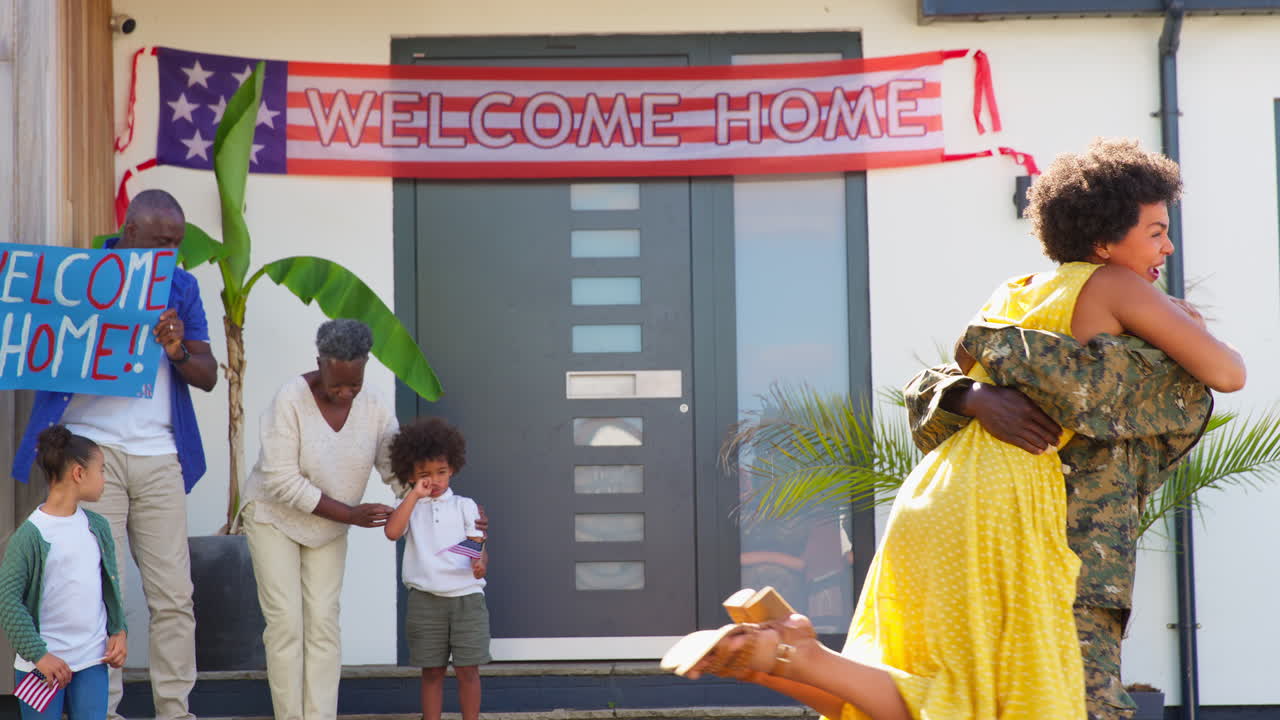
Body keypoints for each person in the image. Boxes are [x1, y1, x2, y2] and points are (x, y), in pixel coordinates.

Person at [668, 139, 1245, 720]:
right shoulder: (1119, 288)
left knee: (962, 692)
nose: (1167, 246)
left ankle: (794, 655)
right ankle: (796, 653)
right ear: (1103, 242)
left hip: (947, 495)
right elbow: (1227, 372)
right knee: (1045, 698)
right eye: (1155, 231)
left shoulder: (1013, 296)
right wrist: (1177, 317)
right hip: (1025, 515)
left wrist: (972, 396)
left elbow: (961, 361)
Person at [11, 189, 217, 720]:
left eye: (177, 241)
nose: (171, 251)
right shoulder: (80, 274)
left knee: (174, 595)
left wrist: (177, 350)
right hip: (89, 457)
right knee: (98, 593)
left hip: (158, 456)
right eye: (160, 241)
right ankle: (103, 710)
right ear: (128, 233)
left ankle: (175, 710)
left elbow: (209, 374)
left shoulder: (182, 286)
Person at [240, 318, 401, 720]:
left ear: (365, 366)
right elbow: (281, 482)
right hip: (272, 517)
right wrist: (350, 513)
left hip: (327, 527)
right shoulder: (289, 400)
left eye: (354, 386)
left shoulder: (376, 407)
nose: (345, 394)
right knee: (286, 625)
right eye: (336, 386)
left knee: (324, 625)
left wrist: (431, 498)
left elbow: (394, 466)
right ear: (321, 363)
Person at [0, 426, 128, 720]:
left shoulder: (98, 527)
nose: (105, 479)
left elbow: (110, 587)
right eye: (103, 470)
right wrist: (39, 655)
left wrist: (119, 630)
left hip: (93, 661)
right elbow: (8, 602)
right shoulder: (31, 536)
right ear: (79, 474)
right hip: (40, 668)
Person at [383, 417, 490, 720]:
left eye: (441, 472)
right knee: (432, 672)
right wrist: (413, 495)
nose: (435, 480)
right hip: (425, 599)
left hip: (467, 598)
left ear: (453, 467)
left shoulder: (465, 505)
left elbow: (477, 545)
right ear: (411, 474)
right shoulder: (410, 506)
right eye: (424, 474)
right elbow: (392, 532)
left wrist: (479, 562)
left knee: (469, 669)